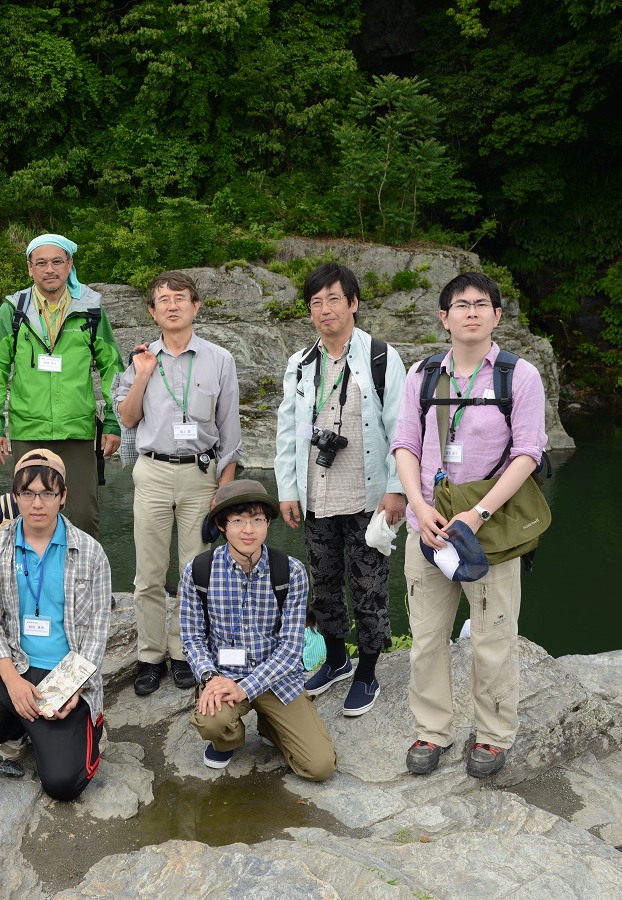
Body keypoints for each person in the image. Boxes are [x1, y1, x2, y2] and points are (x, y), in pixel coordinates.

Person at [392, 272, 547, 779]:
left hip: (491, 527)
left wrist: (478, 513)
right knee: (426, 636)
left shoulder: (518, 375)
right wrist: (418, 506)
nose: (472, 312)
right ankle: (432, 729)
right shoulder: (422, 374)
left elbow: (528, 453)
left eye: (483, 304)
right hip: (430, 526)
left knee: (493, 637)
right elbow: (405, 445)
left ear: (497, 316)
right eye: (461, 305)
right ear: (444, 317)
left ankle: (493, 734)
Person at [0, 450, 112, 801]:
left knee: (63, 784)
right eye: (28, 493)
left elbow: (98, 628)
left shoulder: (90, 551)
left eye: (47, 493)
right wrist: (12, 681)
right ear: (14, 496)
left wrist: (74, 686)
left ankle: (88, 725)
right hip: (11, 665)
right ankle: (20, 726)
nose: (37, 503)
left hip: (62, 672)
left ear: (63, 496)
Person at [274, 262, 407, 717]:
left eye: (334, 299)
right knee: (324, 584)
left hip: (369, 496)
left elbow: (402, 428)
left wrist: (397, 489)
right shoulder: (301, 363)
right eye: (316, 302)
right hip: (317, 495)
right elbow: (288, 431)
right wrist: (287, 490)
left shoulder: (381, 357)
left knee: (369, 587)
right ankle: (336, 660)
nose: (325, 309)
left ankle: (367, 672)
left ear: (353, 303)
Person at [113, 271, 243, 696]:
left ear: (195, 306)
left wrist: (224, 491)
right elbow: (127, 419)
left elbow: (230, 431)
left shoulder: (219, 359)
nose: (172, 306)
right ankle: (149, 656)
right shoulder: (140, 358)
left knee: (194, 569)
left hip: (201, 474)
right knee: (148, 572)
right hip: (152, 471)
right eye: (163, 300)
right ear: (152, 311)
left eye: (181, 298)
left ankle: (184, 651)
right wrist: (143, 374)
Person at [179, 480, 336, 780]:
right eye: (238, 520)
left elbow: (291, 648)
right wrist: (211, 678)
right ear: (221, 525)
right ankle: (228, 739)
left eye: (257, 520)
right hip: (224, 675)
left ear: (268, 523)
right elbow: (192, 638)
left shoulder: (290, 571)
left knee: (320, 767)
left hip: (277, 679)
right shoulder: (199, 570)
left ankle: (270, 723)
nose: (248, 530)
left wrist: (245, 688)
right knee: (214, 722)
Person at [0, 233, 124, 539]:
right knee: (31, 516)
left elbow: (113, 368)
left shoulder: (91, 309)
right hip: (28, 430)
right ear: (29, 268)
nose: (50, 269)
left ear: (69, 265)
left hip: (77, 431)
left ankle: (82, 571)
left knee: (85, 516)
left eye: (57, 262)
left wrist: (113, 421)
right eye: (41, 262)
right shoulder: (13, 310)